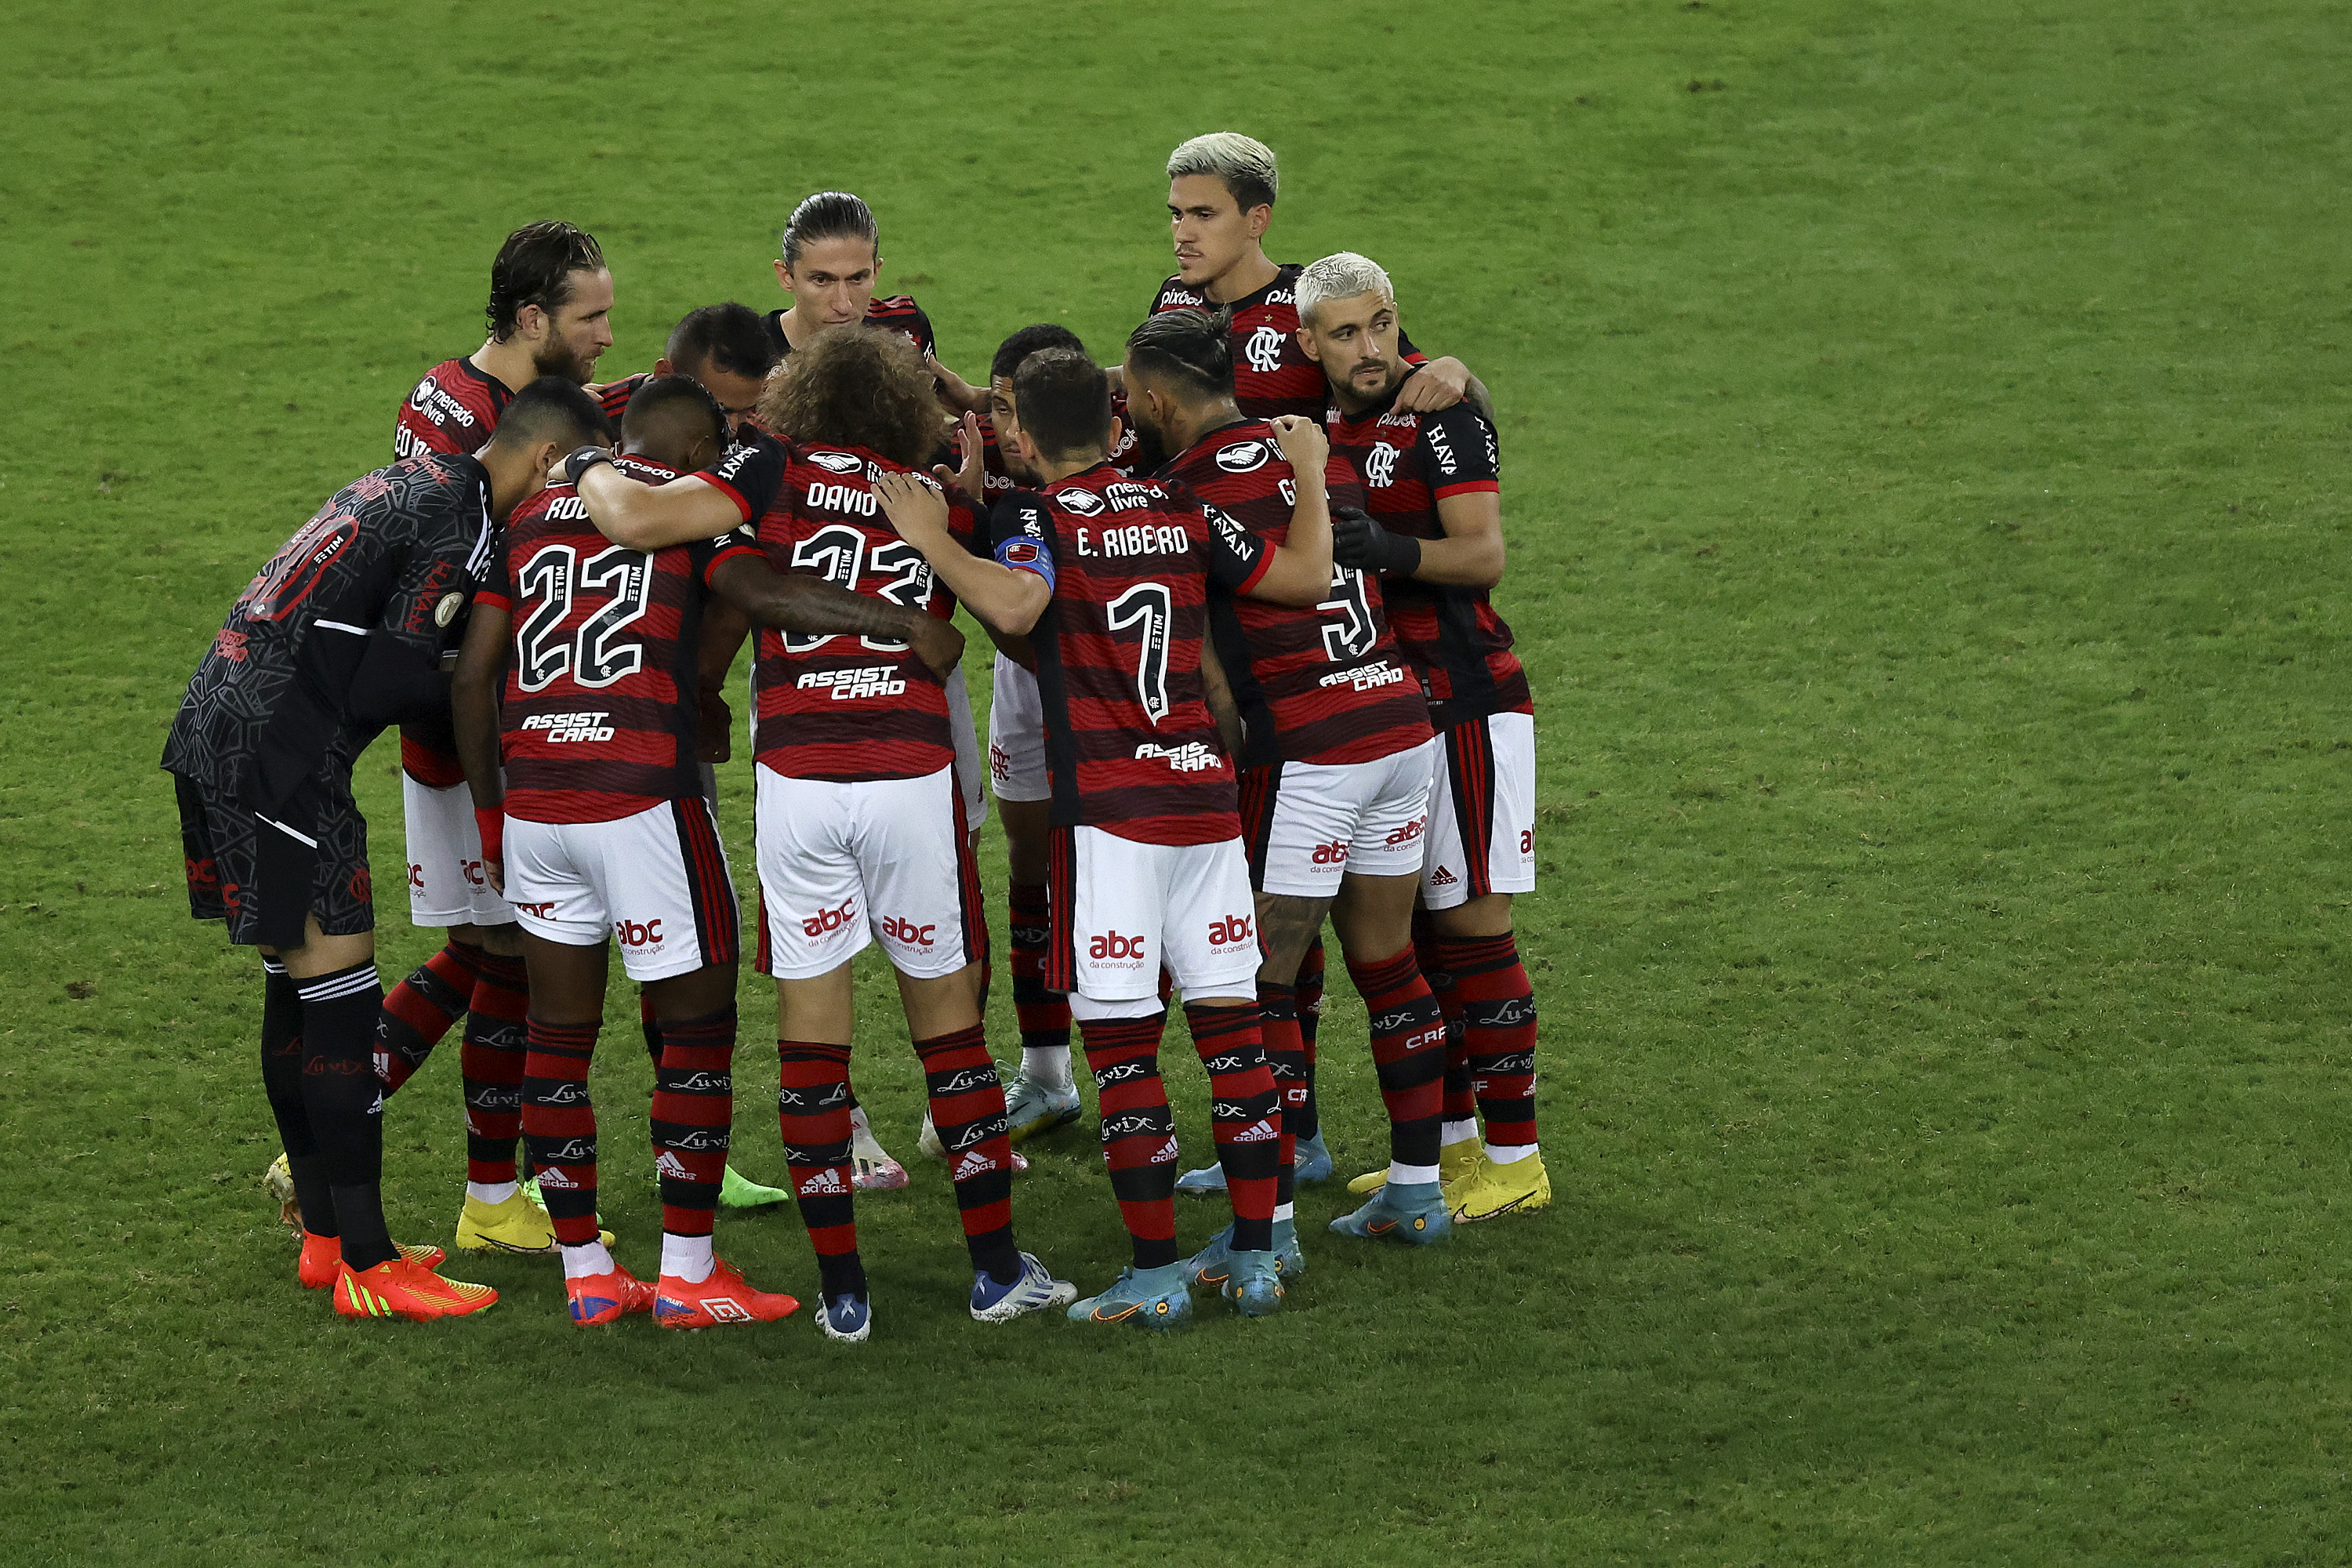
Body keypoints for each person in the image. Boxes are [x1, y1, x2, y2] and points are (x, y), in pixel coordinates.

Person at [564, 326, 1073, 1340]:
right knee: (949, 1033)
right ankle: (994, 1271)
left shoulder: (768, 464)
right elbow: (1015, 607)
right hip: (906, 773)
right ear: (893, 403)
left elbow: (701, 561)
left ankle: (844, 1296)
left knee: (813, 1039)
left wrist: (702, 684)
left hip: (798, 781)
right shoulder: (923, 482)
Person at [452, 376, 942, 1329]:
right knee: (697, 1028)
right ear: (688, 451)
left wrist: (490, 819)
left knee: (559, 1037)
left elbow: (474, 673)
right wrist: (895, 622)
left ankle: (587, 1269)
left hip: (538, 804)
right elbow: (758, 589)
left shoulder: (528, 520)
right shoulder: (681, 513)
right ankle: (687, 1271)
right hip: (642, 797)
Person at [872, 347, 1333, 1327]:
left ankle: (1156, 1274)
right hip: (1203, 806)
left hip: (1114, 824)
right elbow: (1305, 576)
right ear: (1119, 429)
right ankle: (1255, 1257)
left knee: (1125, 1056)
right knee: (1234, 1039)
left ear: (1024, 439)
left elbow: (1015, 603)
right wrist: (1312, 478)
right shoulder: (1179, 505)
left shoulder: (1035, 519)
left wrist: (930, 538)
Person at [164, 375, 611, 1319]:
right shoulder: (463, 523)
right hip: (283, 758)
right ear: (544, 460)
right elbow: (390, 681)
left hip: (222, 725)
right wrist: (493, 674)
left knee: (297, 985)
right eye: (571, 481)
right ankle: (370, 1262)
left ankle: (328, 1242)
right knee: (340, 1001)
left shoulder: (408, 481)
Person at [1124, 308, 1456, 1257]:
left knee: (1254, 987)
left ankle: (1264, 1229)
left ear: (1154, 400)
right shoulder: (1322, 459)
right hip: (1398, 725)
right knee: (1388, 963)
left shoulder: (1180, 494)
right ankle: (1417, 1190)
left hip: (1308, 750)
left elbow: (1201, 652)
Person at [372, 222, 617, 1259]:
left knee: (488, 952)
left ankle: (367, 1144)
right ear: (532, 320)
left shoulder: (444, 388)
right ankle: (476, 1196)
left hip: (439, 715)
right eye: (590, 317)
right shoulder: (499, 433)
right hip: (467, 727)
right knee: (511, 954)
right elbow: (475, 593)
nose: (608, 335)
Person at [1298, 252, 1547, 1224]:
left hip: (1468, 698)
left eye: (1384, 324)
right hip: (1390, 716)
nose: (1373, 349)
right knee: (1416, 937)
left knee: (1474, 923)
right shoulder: (1318, 426)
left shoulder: (1439, 411)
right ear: (1310, 343)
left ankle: (1518, 1157)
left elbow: (1483, 554)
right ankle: (1448, 1152)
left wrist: (1387, 552)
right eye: (1349, 333)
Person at [596, 302, 780, 436]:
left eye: (749, 409)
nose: (733, 429)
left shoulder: (771, 434)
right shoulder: (593, 424)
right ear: (665, 376)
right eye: (720, 411)